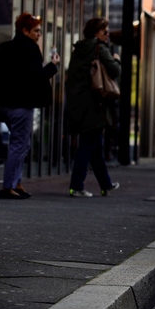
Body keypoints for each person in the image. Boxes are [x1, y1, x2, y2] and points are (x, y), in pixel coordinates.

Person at [0, 12, 60, 199]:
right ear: (25, 30)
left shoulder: (5, 48)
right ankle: (9, 186)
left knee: (21, 143)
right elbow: (36, 79)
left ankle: (16, 182)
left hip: (3, 105)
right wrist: (53, 65)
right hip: (21, 105)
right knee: (20, 145)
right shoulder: (30, 49)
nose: (39, 34)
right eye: (36, 31)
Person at [65, 17, 121, 197]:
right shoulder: (99, 48)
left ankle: (106, 184)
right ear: (96, 33)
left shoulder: (78, 49)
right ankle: (77, 186)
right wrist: (116, 60)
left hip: (78, 103)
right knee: (88, 145)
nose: (107, 34)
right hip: (95, 104)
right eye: (104, 31)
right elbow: (114, 71)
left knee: (95, 145)